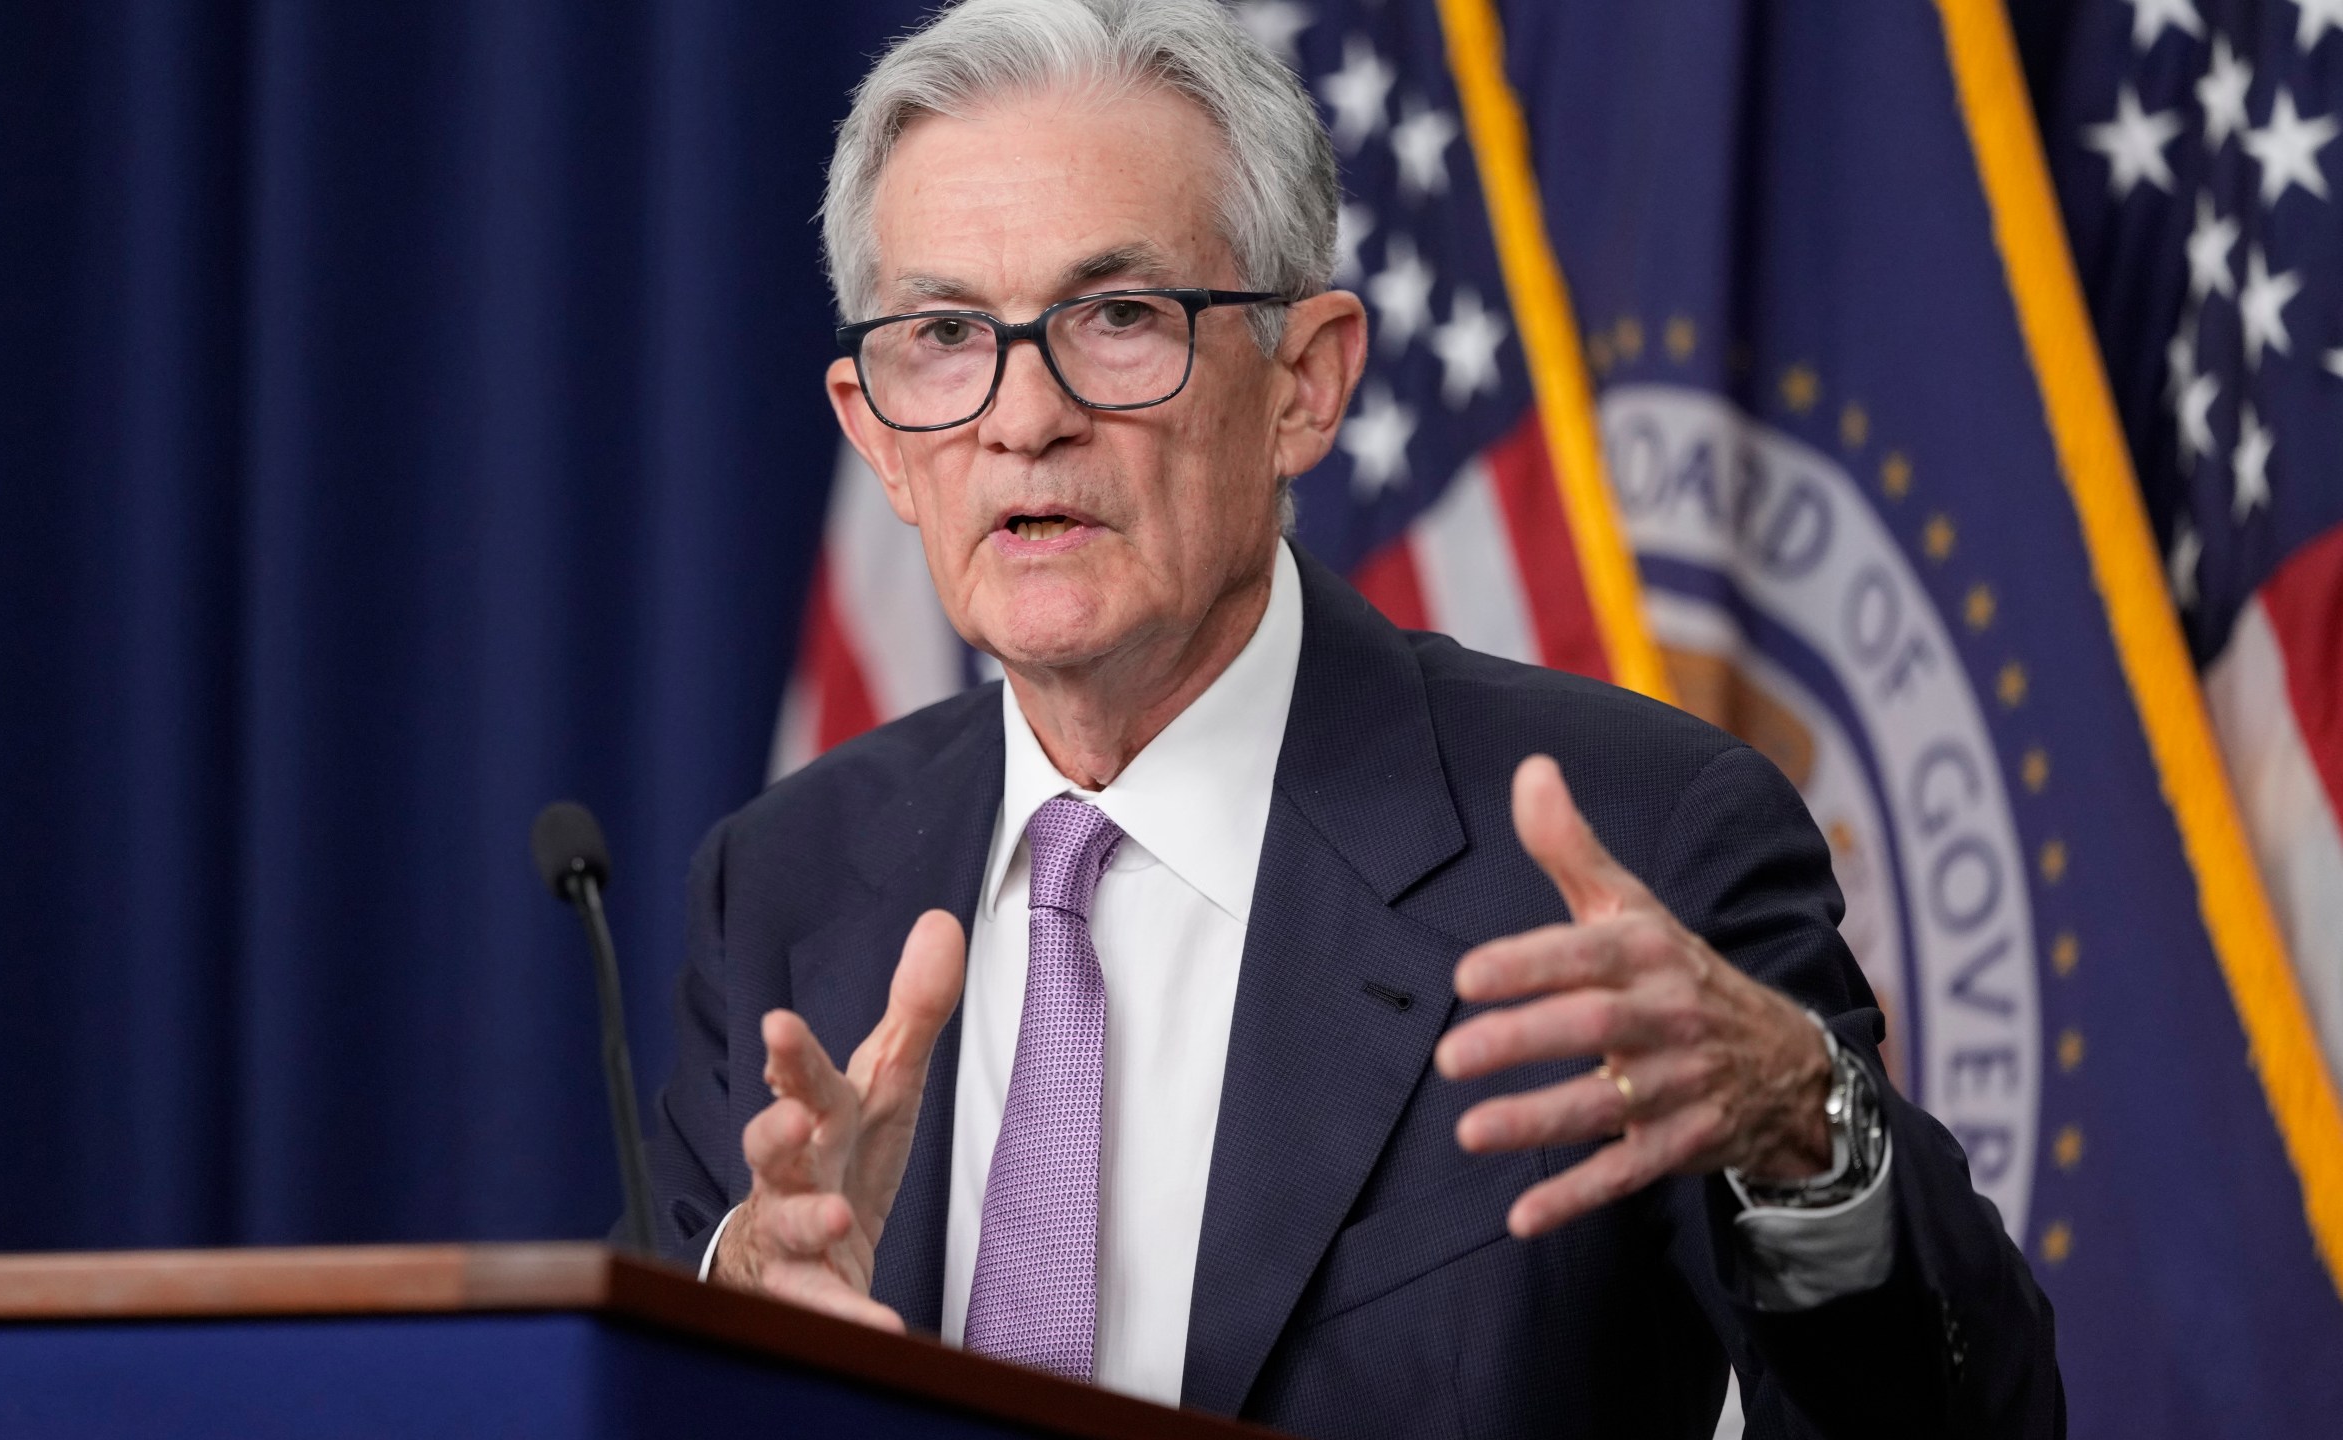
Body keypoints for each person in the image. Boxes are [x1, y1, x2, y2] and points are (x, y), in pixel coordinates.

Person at [651, 1, 2061, 1434]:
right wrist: (733, 1299)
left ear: (1307, 385)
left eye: (1119, 317)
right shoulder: (787, 881)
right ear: (878, 431)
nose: (1024, 418)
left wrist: (1810, 1139)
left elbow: (1968, 1421)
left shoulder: (1642, 842)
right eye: (947, 335)